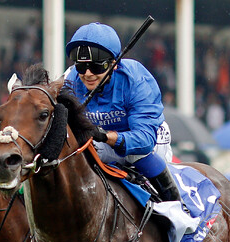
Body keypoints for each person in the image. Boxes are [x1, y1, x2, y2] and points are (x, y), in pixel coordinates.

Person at [64, 22, 180, 203]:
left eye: (96, 67)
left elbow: (144, 139)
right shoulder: (71, 81)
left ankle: (177, 210)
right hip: (100, 139)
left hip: (148, 140)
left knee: (136, 154)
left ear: (114, 64)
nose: (87, 74)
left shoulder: (136, 80)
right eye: (81, 67)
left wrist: (106, 136)